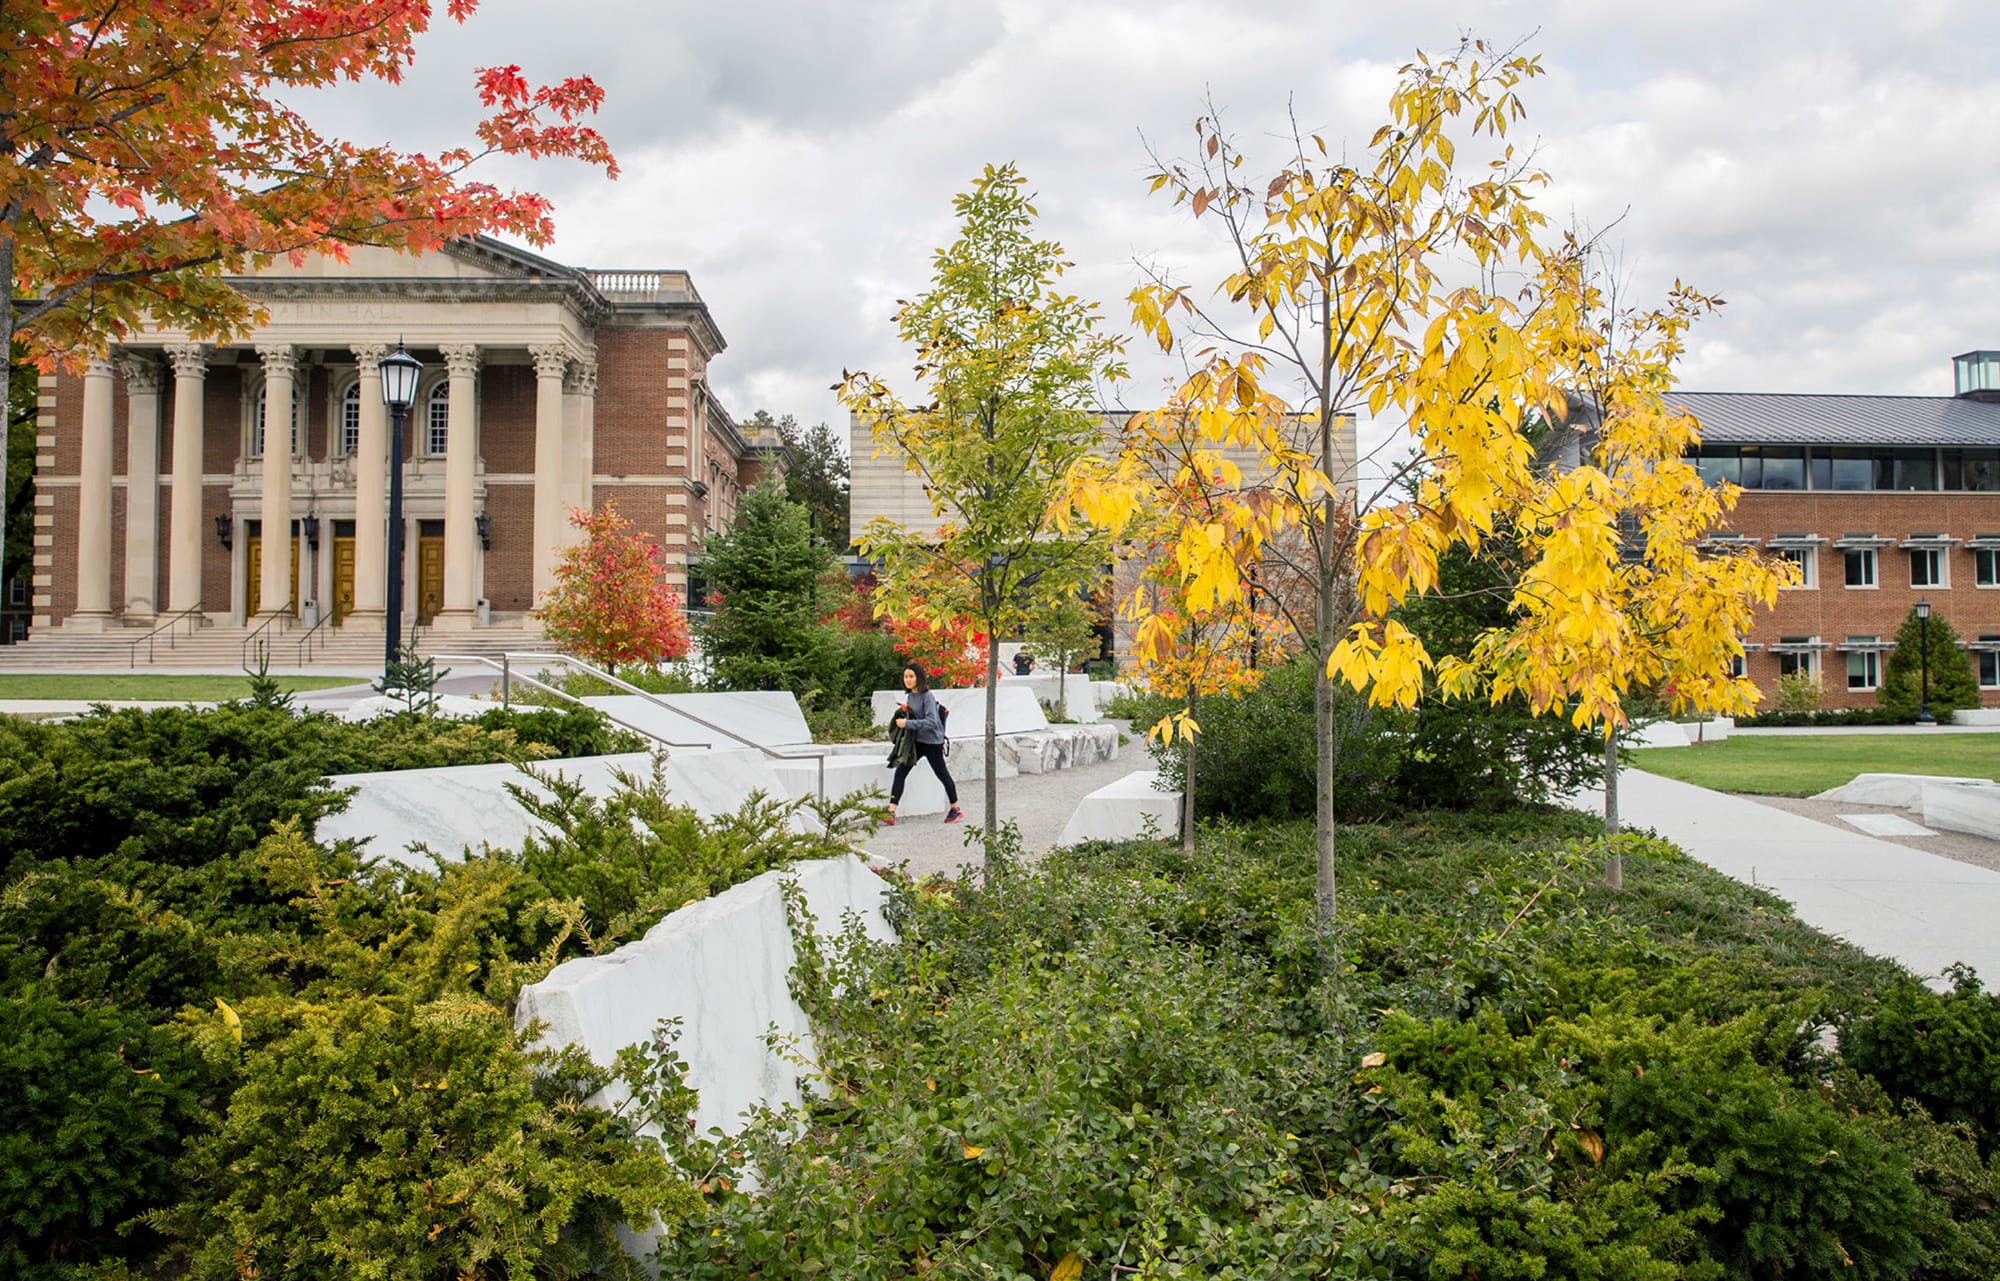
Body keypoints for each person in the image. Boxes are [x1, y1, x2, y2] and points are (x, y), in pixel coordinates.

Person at [885, 661, 962, 825]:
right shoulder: (911, 696)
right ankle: (891, 811)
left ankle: (955, 809)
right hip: (918, 741)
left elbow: (931, 722)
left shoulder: (927, 696)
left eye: (911, 676)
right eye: (906, 676)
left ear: (918, 678)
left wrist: (907, 723)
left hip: (932, 743)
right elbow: (918, 715)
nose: (908, 680)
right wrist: (907, 710)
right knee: (901, 771)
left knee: (942, 774)